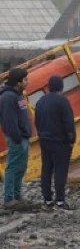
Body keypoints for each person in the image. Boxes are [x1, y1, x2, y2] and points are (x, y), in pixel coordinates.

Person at [34, 75, 76, 210]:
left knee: (46, 169)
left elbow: (37, 121)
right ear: (61, 87)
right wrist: (71, 139)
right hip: (60, 142)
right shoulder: (63, 101)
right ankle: (60, 200)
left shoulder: (40, 101)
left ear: (49, 87)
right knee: (60, 170)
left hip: (45, 140)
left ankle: (47, 200)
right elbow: (68, 122)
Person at [0, 68, 31, 209]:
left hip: (23, 137)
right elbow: (9, 121)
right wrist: (17, 138)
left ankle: (17, 196)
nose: (27, 82)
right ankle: (9, 198)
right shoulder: (8, 97)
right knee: (12, 167)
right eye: (25, 80)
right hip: (16, 139)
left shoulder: (17, 95)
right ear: (18, 82)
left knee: (21, 167)